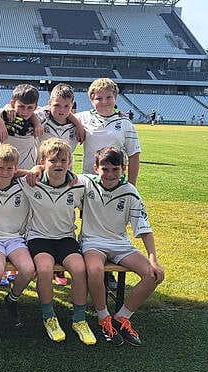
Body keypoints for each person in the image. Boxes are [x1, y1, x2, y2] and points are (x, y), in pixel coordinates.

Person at [80, 146, 164, 346]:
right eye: (105, 169)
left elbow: (144, 228)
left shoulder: (130, 192)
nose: (110, 174)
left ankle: (122, 317)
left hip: (120, 243)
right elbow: (60, 174)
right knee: (94, 270)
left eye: (115, 169)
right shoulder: (86, 183)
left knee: (153, 275)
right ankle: (103, 318)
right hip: (92, 241)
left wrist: (154, 259)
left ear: (123, 169)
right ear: (95, 168)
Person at [18, 137, 96, 346]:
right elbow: (5, 172)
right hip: (39, 238)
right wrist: (31, 171)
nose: (59, 165)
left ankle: (79, 319)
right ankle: (49, 317)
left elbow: (101, 181)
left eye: (63, 160)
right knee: (44, 269)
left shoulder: (79, 184)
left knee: (79, 270)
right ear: (43, 162)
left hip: (66, 238)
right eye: (53, 161)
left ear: (70, 162)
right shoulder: (32, 182)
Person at [75, 78, 142, 291]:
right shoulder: (84, 117)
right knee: (88, 223)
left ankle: (109, 271)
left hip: (116, 183)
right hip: (90, 183)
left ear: (116, 98)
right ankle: (88, 264)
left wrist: (129, 186)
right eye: (98, 98)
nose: (104, 102)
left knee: (113, 225)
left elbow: (134, 155)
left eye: (108, 97)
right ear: (91, 100)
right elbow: (57, 111)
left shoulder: (125, 124)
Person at [34, 83, 85, 285]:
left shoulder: (75, 124)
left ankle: (59, 269)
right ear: (49, 104)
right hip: (40, 174)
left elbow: (72, 117)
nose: (61, 110)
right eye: (57, 106)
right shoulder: (41, 116)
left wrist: (78, 124)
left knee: (63, 212)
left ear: (72, 106)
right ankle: (35, 260)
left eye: (66, 106)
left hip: (65, 175)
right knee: (34, 215)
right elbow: (21, 109)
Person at [0, 144, 35, 326]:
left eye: (10, 168)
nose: (4, 172)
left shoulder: (25, 184)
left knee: (28, 269)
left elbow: (42, 172)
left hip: (15, 238)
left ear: (16, 168)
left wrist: (35, 169)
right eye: (0, 167)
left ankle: (12, 299)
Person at [2, 84, 44, 170]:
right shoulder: (3, 116)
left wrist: (37, 123)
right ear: (13, 104)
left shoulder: (41, 118)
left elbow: (59, 109)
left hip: (28, 173)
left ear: (35, 107)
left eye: (30, 108)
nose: (25, 112)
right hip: (5, 170)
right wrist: (7, 107)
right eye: (21, 106)